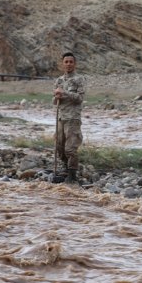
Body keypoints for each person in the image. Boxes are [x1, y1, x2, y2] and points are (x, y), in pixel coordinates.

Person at [53, 52, 85, 184]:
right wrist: (56, 97)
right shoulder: (59, 81)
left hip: (73, 118)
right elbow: (54, 102)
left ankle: (72, 173)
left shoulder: (79, 79)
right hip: (61, 117)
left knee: (70, 148)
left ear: (75, 64)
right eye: (66, 62)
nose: (68, 64)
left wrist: (64, 92)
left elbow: (80, 99)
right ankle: (65, 167)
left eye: (71, 62)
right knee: (59, 145)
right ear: (62, 64)